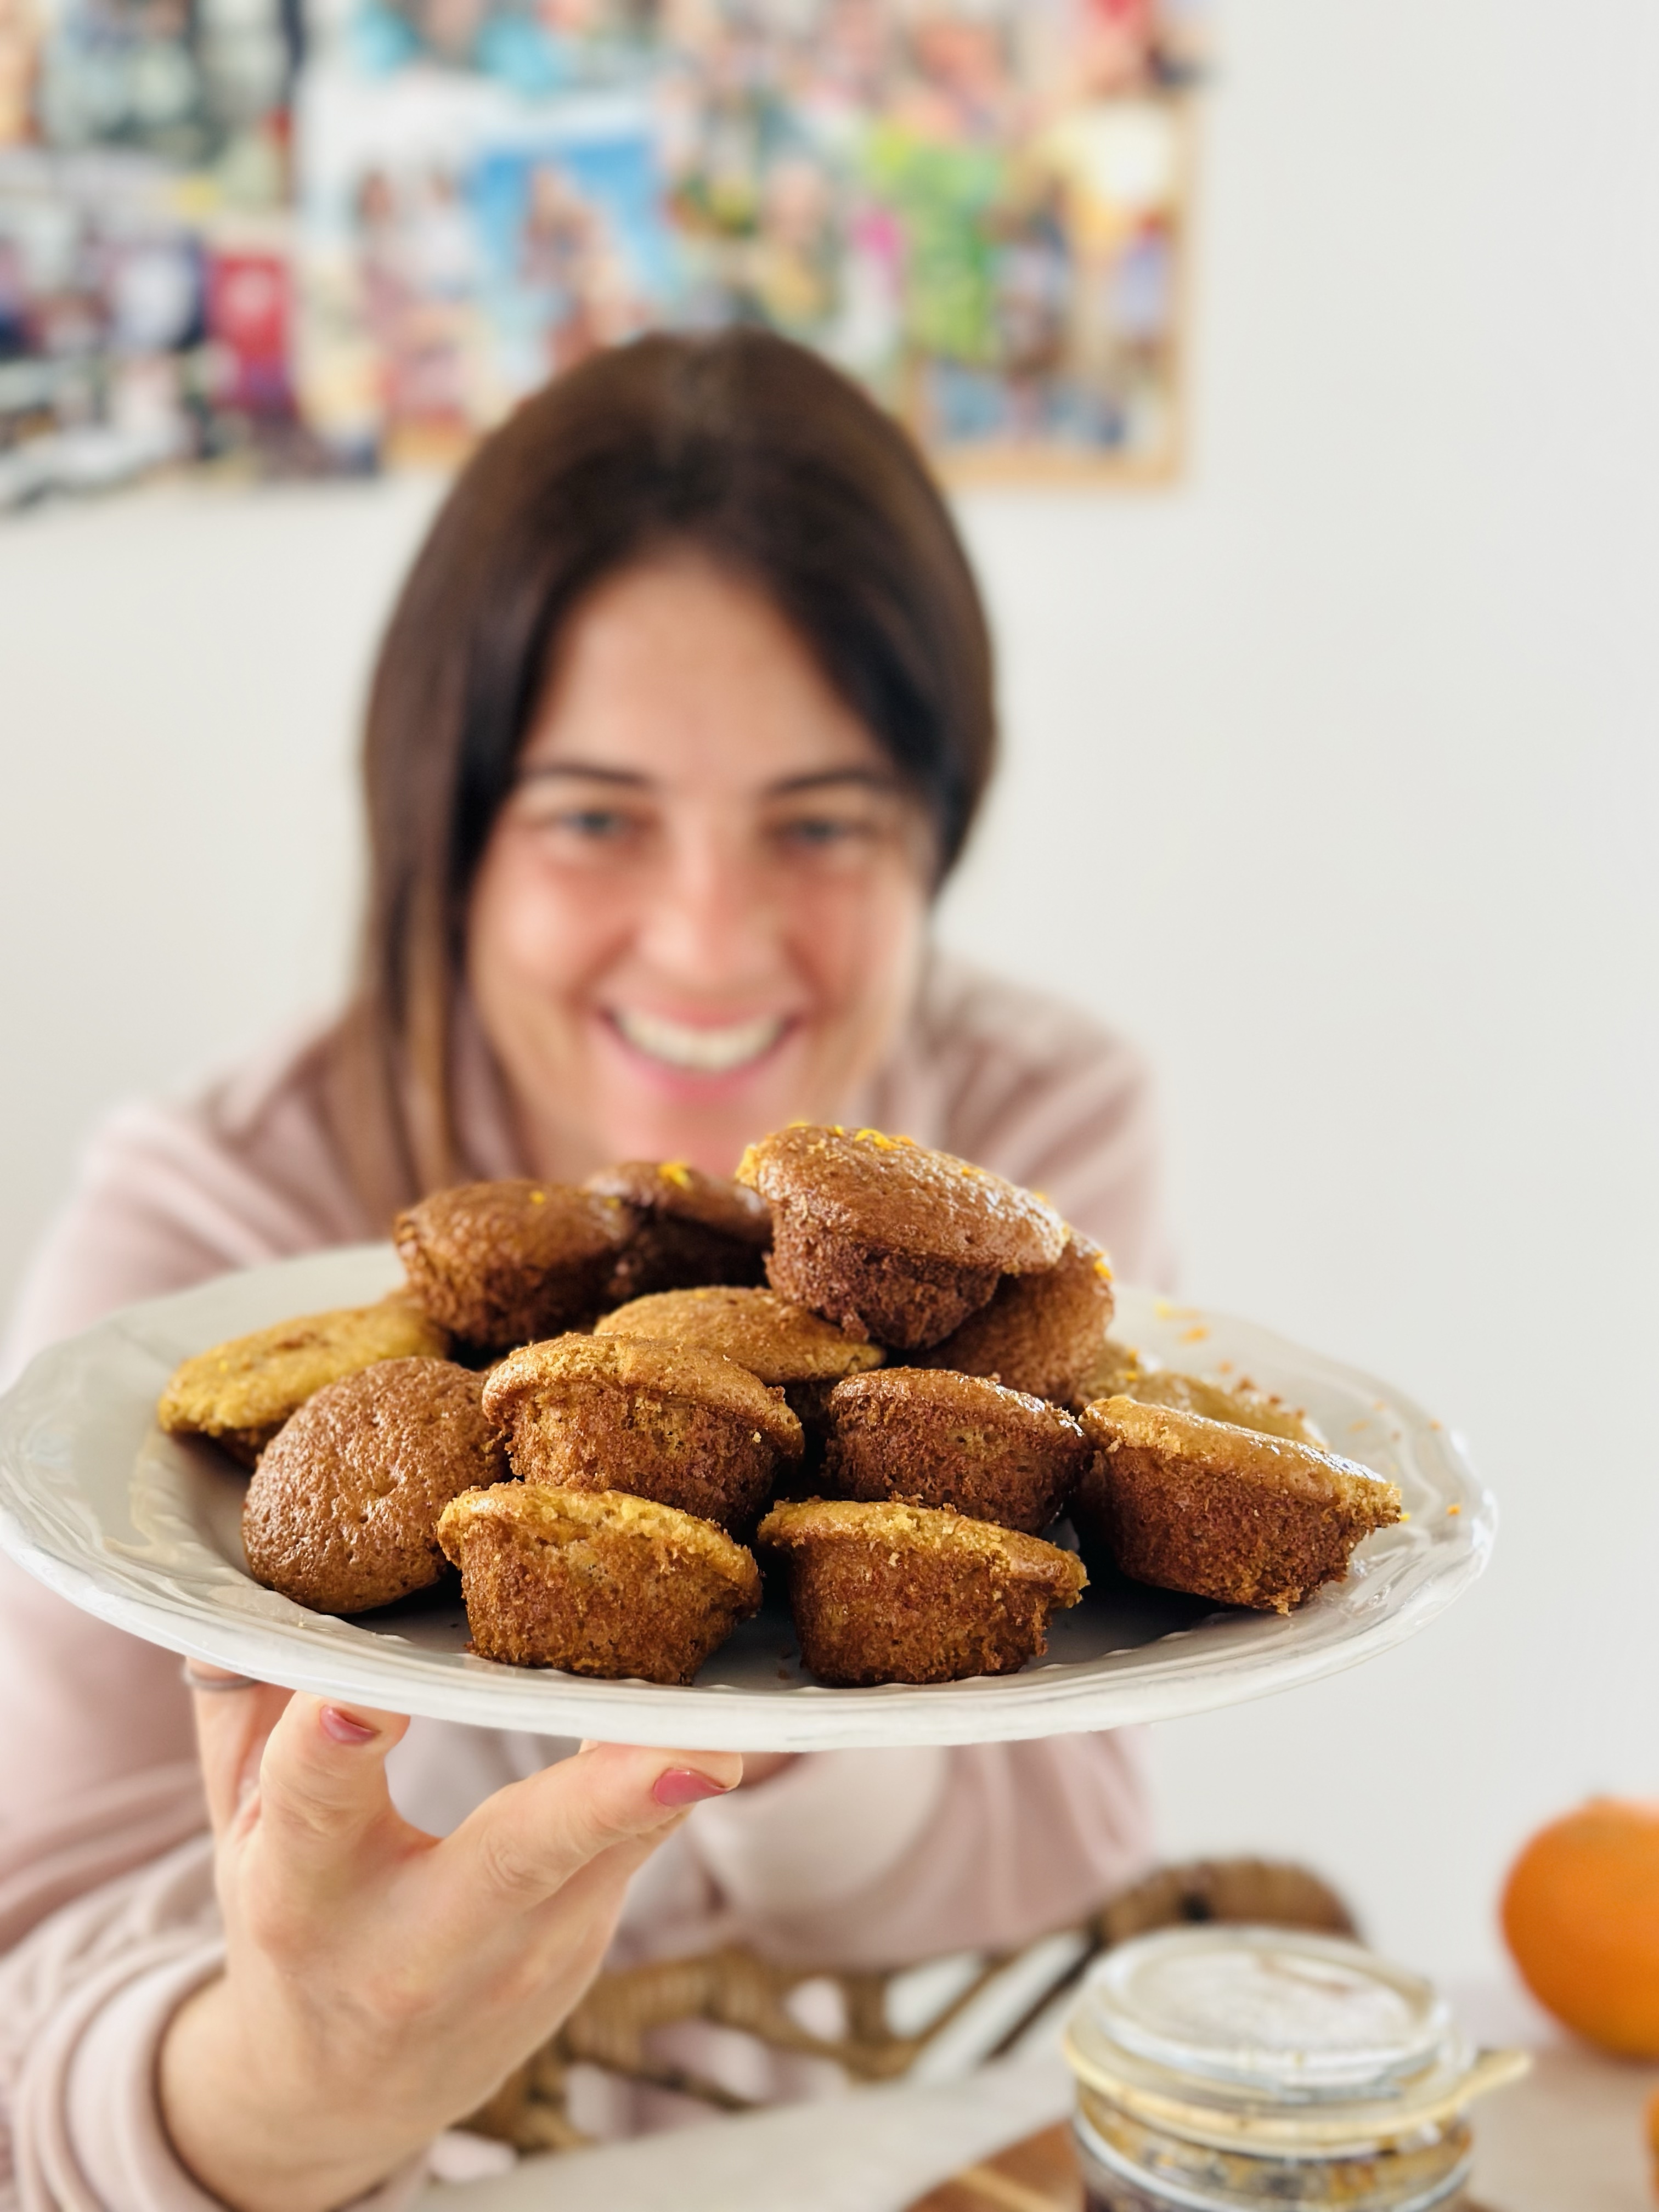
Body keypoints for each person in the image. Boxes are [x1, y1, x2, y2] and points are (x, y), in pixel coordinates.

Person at [0, 328, 1169, 2212]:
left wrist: (814, 1642)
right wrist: (282, 2103)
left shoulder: (1026, 1169)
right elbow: (26, 1981)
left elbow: (1066, 1829)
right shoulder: (211, 1238)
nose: (709, 943)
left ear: (937, 836)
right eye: (595, 817)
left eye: (821, 821)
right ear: (449, 835)